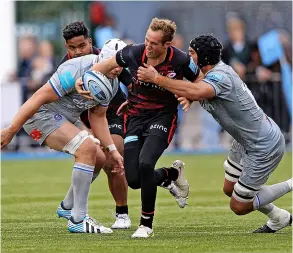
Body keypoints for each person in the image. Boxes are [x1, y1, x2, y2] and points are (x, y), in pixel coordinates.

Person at [136, 34, 292, 233]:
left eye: (191, 54)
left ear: (204, 58)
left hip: (263, 145)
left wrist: (157, 79)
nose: (188, 58)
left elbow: (197, 90)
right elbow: (198, 88)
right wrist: (190, 97)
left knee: (239, 205)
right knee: (230, 189)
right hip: (244, 141)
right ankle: (279, 217)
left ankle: (291, 184)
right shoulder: (212, 74)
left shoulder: (220, 77)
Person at [76, 18, 202, 238]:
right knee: (134, 180)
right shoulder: (133, 53)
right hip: (134, 117)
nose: (148, 46)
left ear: (167, 45)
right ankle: (172, 173)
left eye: (154, 43)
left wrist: (190, 96)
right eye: (147, 40)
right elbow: (103, 66)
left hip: (163, 117)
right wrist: (82, 80)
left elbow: (201, 80)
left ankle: (146, 225)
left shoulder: (180, 60)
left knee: (145, 164)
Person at [0, 44, 126, 234]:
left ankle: (68, 207)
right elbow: (37, 99)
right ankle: (78, 219)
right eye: (114, 63)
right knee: (87, 149)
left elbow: (98, 117)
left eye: (121, 65)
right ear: (103, 58)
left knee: (99, 157)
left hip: (64, 118)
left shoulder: (112, 81)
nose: (118, 69)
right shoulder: (75, 69)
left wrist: (113, 151)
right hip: (39, 116)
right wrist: (11, 130)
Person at [58, 21, 131, 229]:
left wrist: (133, 102)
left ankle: (122, 214)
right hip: (82, 120)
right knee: (95, 157)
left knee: (112, 159)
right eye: (72, 48)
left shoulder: (108, 57)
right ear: (66, 47)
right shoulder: (66, 67)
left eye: (82, 46)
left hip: (113, 115)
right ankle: (69, 206)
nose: (78, 52)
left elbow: (132, 83)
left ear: (90, 42)